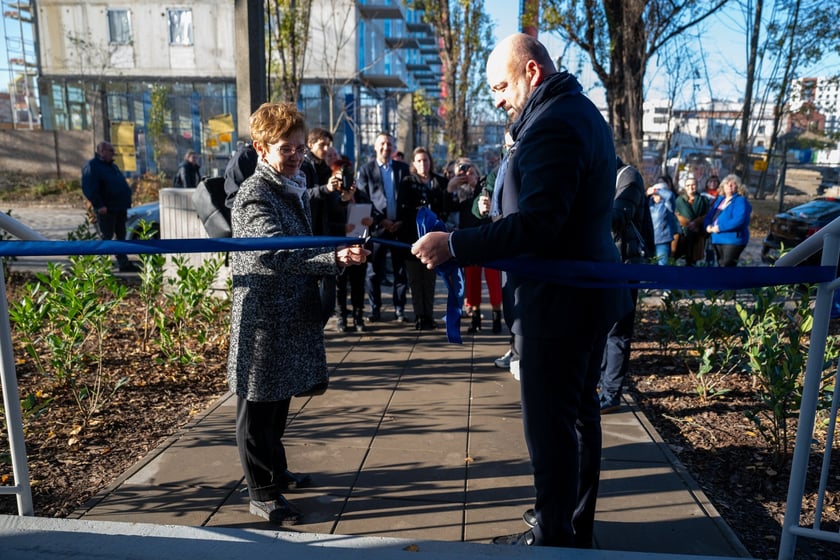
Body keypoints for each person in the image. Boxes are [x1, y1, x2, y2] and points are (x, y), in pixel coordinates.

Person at [411, 33, 631, 548]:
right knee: (578, 418)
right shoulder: (575, 111)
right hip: (581, 297)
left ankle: (554, 538)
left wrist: (455, 244)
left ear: (531, 72)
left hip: (558, 305)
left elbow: (539, 225)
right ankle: (571, 527)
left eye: (501, 87)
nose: (498, 100)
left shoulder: (553, 122)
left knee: (551, 428)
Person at [226, 101, 368, 527]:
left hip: (288, 312)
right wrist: (333, 257)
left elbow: (301, 231)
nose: (296, 156)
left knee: (279, 401)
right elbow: (273, 253)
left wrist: (337, 246)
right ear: (261, 148)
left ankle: (276, 470)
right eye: (286, 148)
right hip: (264, 318)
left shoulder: (291, 185)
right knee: (257, 408)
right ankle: (262, 493)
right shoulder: (256, 194)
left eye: (300, 148)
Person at [599, 158, 652, 414]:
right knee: (601, 330)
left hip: (624, 265)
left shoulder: (628, 176)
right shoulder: (600, 176)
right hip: (602, 264)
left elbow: (617, 218)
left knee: (617, 333)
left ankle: (611, 394)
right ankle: (601, 385)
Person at [355, 131, 411, 322]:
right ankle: (375, 309)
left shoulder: (403, 169)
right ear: (375, 146)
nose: (386, 147)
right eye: (382, 144)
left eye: (389, 144)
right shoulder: (366, 170)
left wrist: (401, 220)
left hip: (399, 228)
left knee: (400, 271)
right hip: (378, 229)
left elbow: (409, 197)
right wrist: (381, 220)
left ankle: (399, 309)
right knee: (373, 271)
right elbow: (363, 198)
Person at [448, 157, 502, 333]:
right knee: (472, 280)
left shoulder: (484, 187)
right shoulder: (459, 192)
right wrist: (451, 188)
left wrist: (475, 186)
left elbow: (487, 204)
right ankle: (475, 317)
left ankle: (497, 316)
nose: (467, 175)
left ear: (478, 175)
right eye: (463, 173)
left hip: (487, 239)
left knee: (493, 278)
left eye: (471, 172)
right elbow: (448, 208)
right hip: (468, 240)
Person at [397, 147, 449, 330]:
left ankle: (429, 315)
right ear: (413, 163)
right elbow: (403, 209)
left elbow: (444, 206)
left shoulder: (439, 182)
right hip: (412, 239)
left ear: (430, 162)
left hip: (433, 239)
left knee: (429, 279)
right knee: (415, 280)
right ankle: (419, 315)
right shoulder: (407, 182)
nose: (422, 164)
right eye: (419, 161)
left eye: (425, 160)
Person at [81, 141, 138, 272]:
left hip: (119, 207)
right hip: (106, 209)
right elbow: (89, 188)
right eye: (111, 151)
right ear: (102, 151)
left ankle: (123, 263)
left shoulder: (112, 166)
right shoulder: (92, 166)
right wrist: (99, 205)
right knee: (106, 237)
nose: (114, 154)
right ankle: (99, 267)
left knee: (121, 236)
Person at [704, 173, 752, 267]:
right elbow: (709, 216)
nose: (729, 186)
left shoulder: (740, 201)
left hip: (732, 239)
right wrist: (707, 225)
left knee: (728, 265)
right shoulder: (720, 200)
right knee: (721, 264)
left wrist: (720, 227)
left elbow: (739, 220)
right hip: (717, 238)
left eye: (733, 184)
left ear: (738, 187)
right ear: (723, 186)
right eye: (727, 184)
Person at [673, 174, 710, 266]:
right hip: (682, 235)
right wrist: (689, 223)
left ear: (697, 186)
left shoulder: (703, 200)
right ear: (685, 187)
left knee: (693, 262)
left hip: (697, 234)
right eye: (688, 185)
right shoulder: (679, 200)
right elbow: (675, 215)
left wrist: (696, 223)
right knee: (679, 261)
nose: (691, 187)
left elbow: (707, 215)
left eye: (693, 185)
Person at [646, 179, 679, 266]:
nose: (655, 196)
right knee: (649, 267)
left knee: (662, 266)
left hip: (663, 241)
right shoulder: (650, 204)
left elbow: (669, 196)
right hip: (649, 240)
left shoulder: (668, 205)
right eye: (654, 194)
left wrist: (655, 190)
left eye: (658, 194)